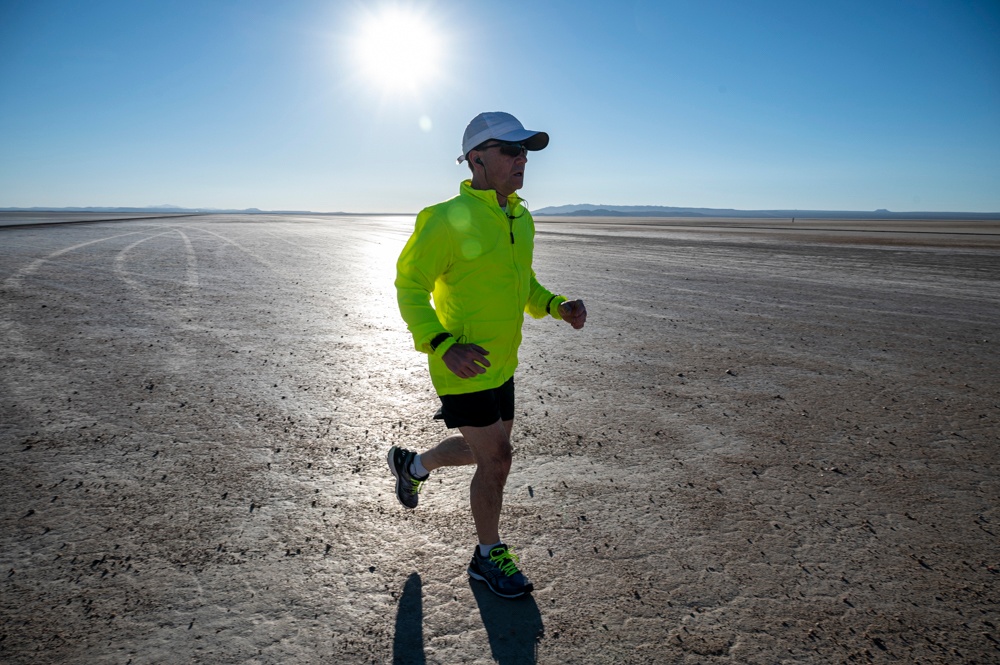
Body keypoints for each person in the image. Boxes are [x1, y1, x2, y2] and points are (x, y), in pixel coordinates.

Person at [389, 111, 587, 599]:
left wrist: (555, 305)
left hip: (503, 364)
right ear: (477, 159)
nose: (522, 160)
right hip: (462, 362)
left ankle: (415, 466)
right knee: (498, 458)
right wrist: (441, 344)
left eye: (526, 152)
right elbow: (409, 285)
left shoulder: (520, 217)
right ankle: (486, 557)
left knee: (484, 451)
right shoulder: (444, 219)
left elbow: (523, 285)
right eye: (511, 150)